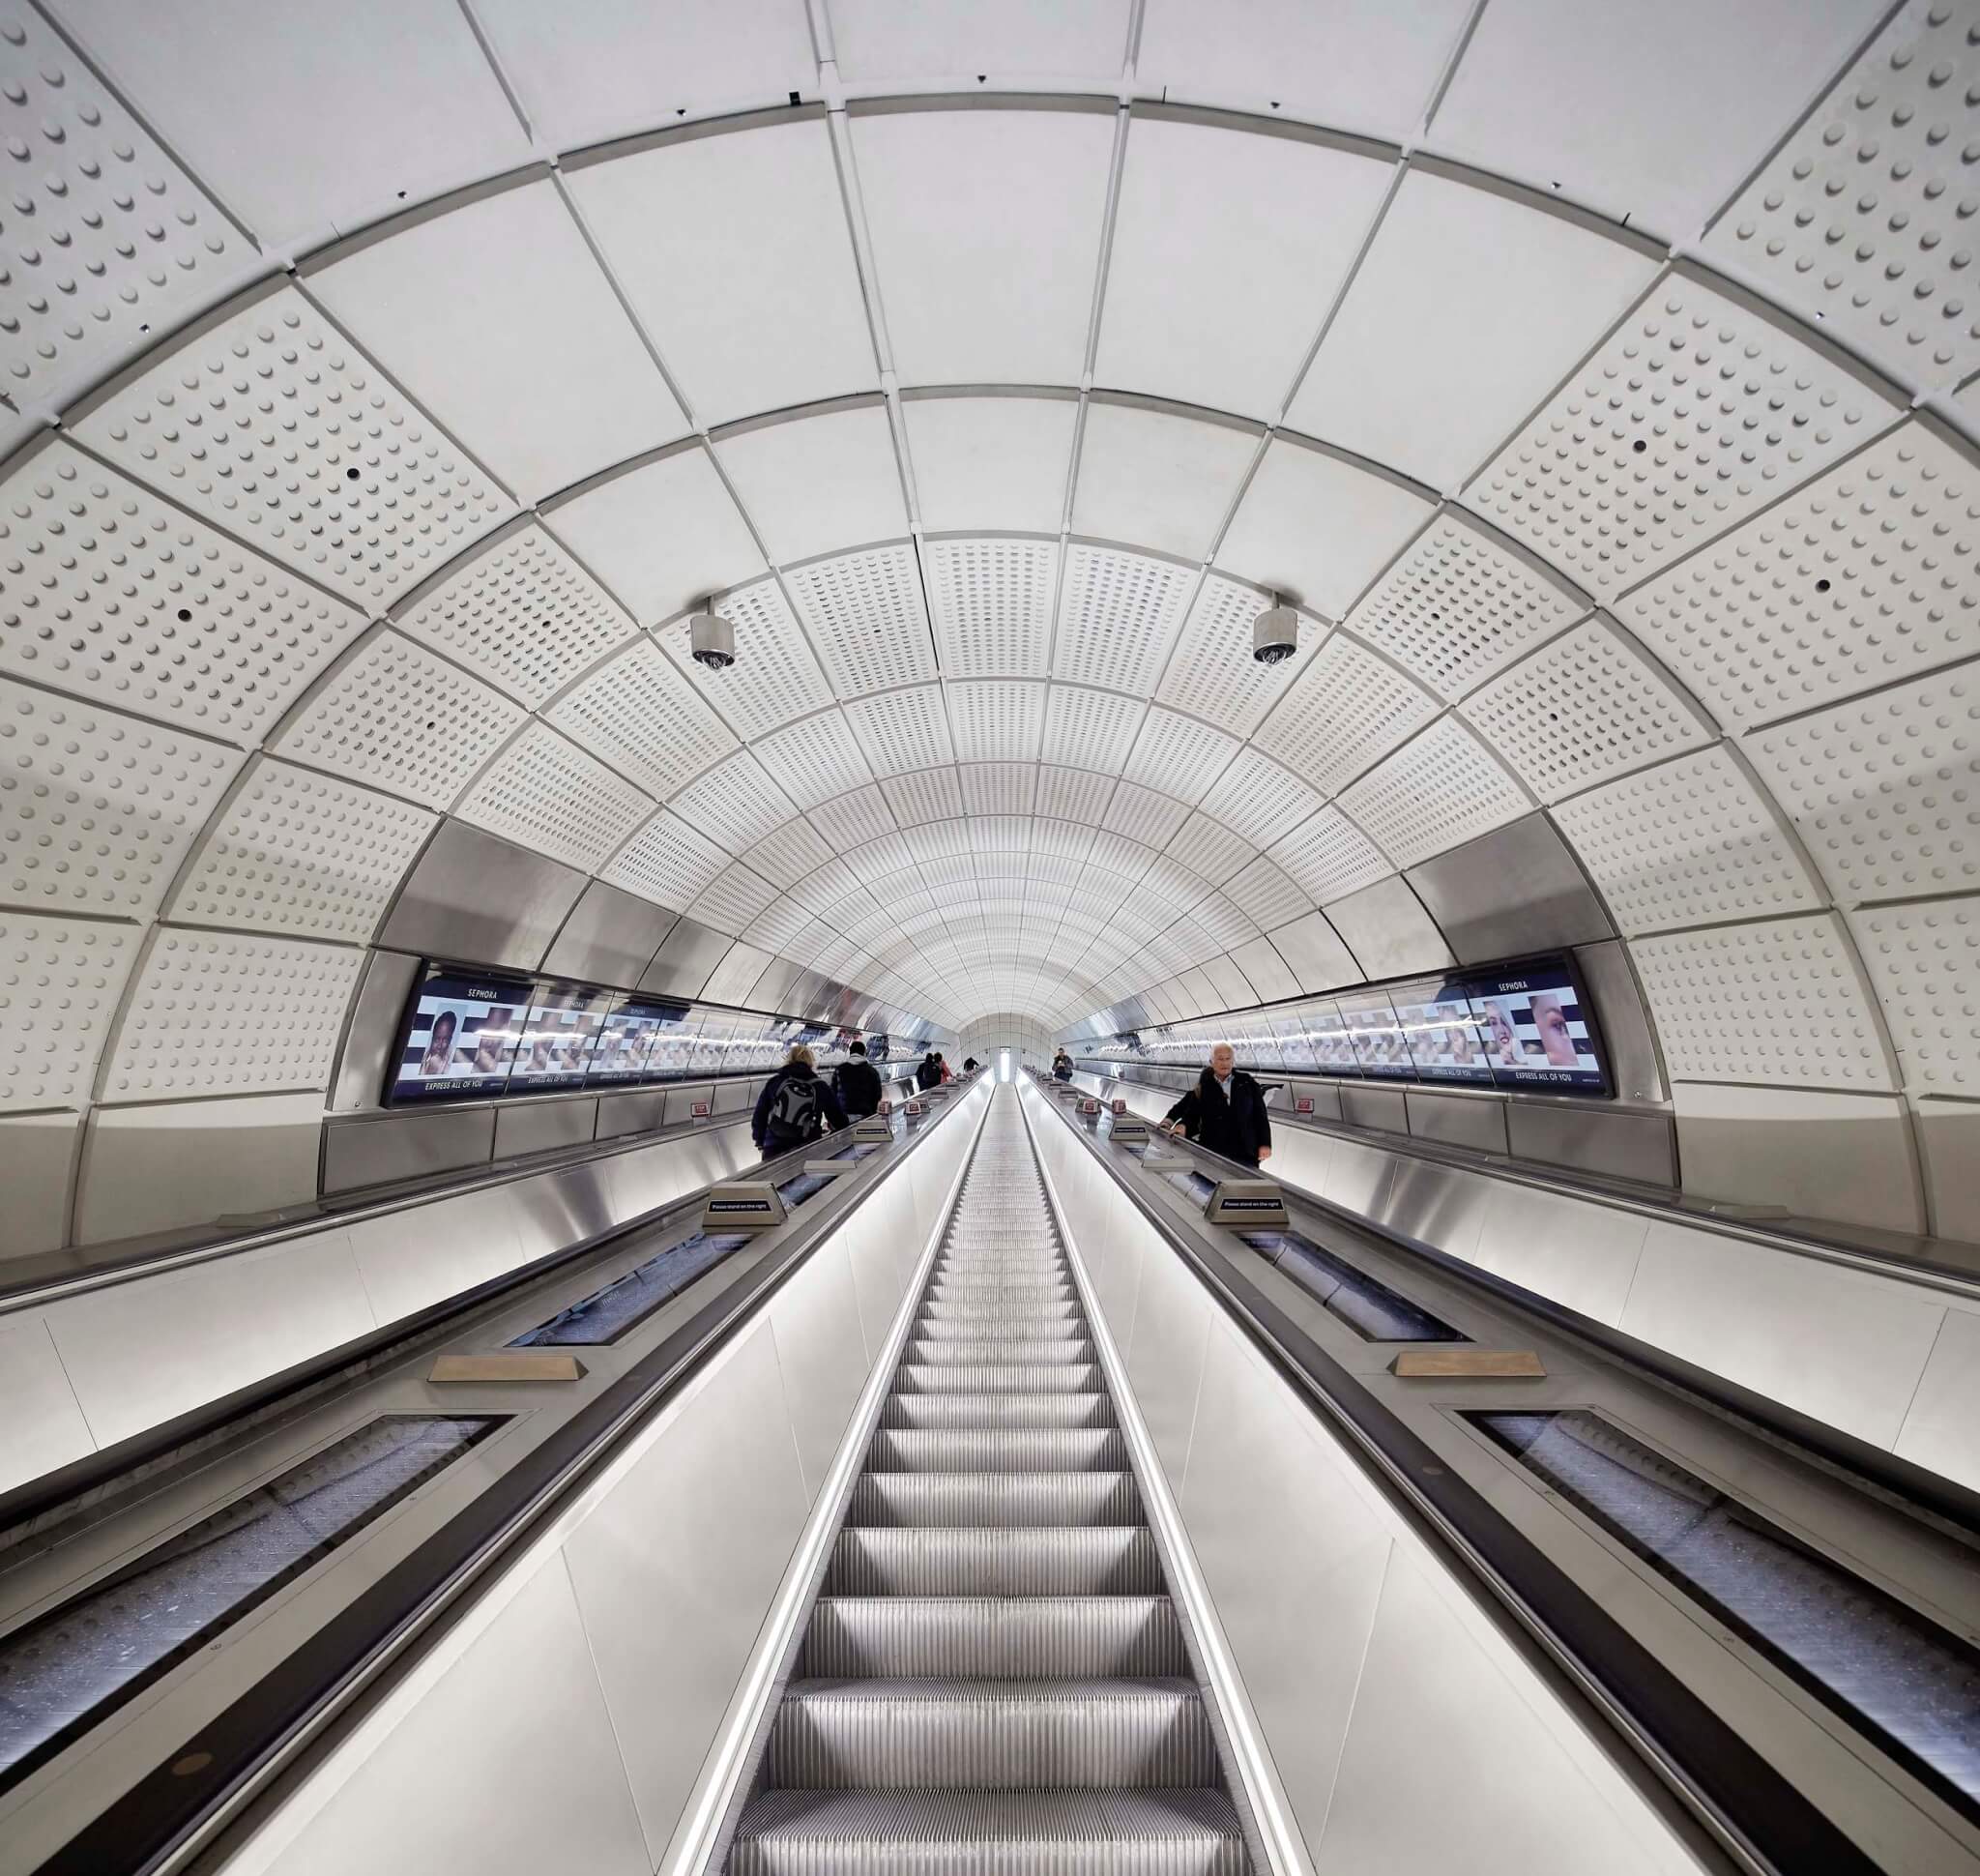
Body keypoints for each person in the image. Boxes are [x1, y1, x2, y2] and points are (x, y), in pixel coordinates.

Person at [1162, 1042, 1272, 1167]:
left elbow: (1261, 1115)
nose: (1224, 1063)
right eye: (1220, 1059)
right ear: (1212, 1062)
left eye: (1228, 1059)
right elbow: (1192, 1114)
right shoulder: (1204, 1087)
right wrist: (1182, 1126)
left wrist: (1265, 1144)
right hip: (1213, 1150)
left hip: (1245, 1151)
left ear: (1233, 1061)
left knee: (1246, 1183)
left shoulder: (1247, 1082)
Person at [753, 1042, 847, 1159]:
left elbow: (760, 1114)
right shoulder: (820, 1086)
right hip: (807, 1147)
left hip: (774, 1146)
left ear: (789, 1059)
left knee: (771, 1177)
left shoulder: (776, 1081)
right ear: (811, 1061)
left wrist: (760, 1140)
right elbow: (838, 1118)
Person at [832, 1040, 883, 1120]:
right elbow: (877, 1095)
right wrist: (872, 1112)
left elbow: (833, 1093)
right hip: (865, 1114)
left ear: (850, 1052)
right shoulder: (872, 1071)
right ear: (864, 1053)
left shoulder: (839, 1069)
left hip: (843, 1115)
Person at [420, 1009, 458, 1076]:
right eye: (437, 1039)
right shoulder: (421, 1058)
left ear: (450, 1040)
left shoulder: (452, 1067)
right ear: (432, 1036)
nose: (439, 1046)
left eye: (445, 1040)